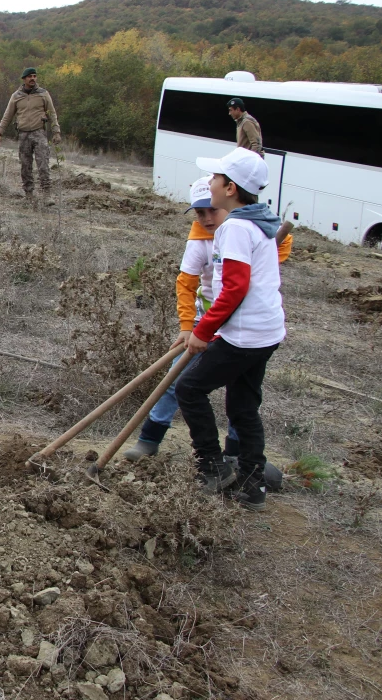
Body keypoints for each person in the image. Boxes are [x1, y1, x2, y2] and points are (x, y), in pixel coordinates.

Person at [124, 175, 293, 462]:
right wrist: (189, 326)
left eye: (211, 211)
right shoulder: (200, 242)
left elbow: (260, 272)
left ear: (229, 202)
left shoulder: (248, 232)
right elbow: (186, 284)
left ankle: (233, 454)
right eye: (199, 213)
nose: (206, 218)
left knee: (240, 395)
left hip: (239, 327)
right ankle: (149, 439)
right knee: (175, 380)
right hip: (206, 322)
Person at [175, 148, 286, 512]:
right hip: (267, 331)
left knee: (189, 388)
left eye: (216, 179)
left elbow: (234, 288)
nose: (211, 183)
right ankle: (253, 487)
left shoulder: (235, 228)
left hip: (245, 334)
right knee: (243, 407)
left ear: (231, 188)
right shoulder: (260, 220)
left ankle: (212, 466)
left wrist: (203, 331)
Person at [0, 67, 61, 204]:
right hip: (23, 134)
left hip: (39, 133)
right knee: (25, 166)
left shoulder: (43, 94)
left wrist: (56, 131)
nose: (33, 79)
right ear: (24, 79)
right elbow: (7, 115)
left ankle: (47, 194)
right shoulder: (16, 96)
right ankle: (29, 194)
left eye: (35, 76)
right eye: (30, 76)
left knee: (43, 164)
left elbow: (52, 113)